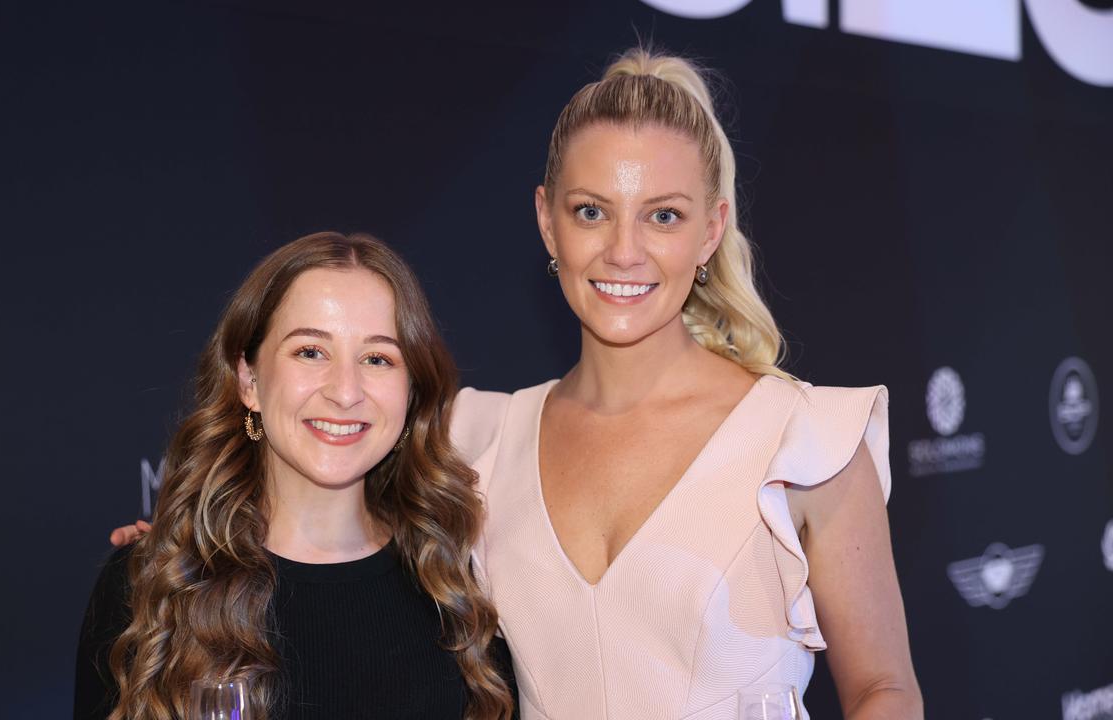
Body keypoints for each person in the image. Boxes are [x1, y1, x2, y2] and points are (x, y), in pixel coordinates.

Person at [111, 48, 922, 719]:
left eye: (664, 216)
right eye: (592, 211)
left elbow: (885, 690)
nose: (625, 252)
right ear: (547, 221)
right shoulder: (479, 439)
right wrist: (185, 556)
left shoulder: (806, 441)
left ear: (712, 228)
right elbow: (325, 491)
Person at [76, 232, 514, 720]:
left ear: (410, 392)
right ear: (249, 380)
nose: (345, 391)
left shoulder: (461, 586)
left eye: (377, 358)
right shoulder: (153, 590)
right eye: (310, 351)